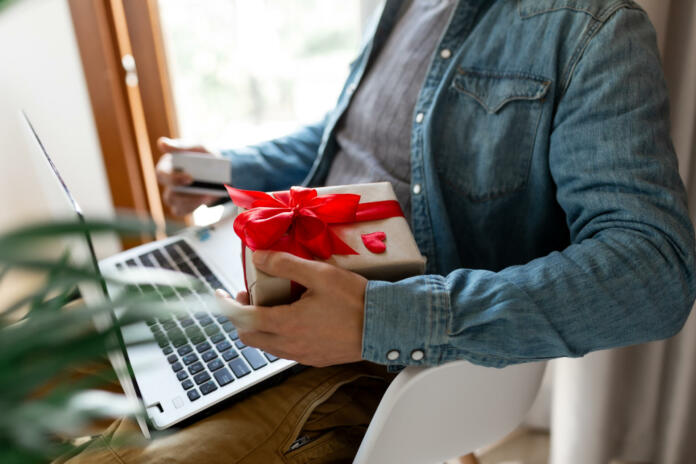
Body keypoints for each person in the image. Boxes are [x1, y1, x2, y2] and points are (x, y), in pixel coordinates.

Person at [64, 0, 696, 462]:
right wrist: (221, 172)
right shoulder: (404, 6)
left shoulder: (594, 28)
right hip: (271, 280)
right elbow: (345, 137)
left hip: (376, 358)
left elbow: (655, 269)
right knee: (35, 353)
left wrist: (381, 318)